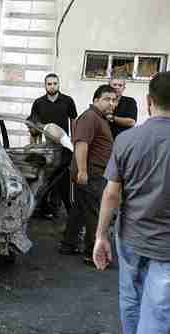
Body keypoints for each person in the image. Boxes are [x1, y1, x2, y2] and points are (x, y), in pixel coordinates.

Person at [93, 72, 170, 334]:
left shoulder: (126, 140)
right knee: (160, 309)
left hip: (130, 237)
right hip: (166, 245)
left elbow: (111, 195)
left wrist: (100, 236)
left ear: (149, 101)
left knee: (130, 297)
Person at [58, 85, 117, 265]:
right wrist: (83, 171)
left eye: (115, 100)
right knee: (94, 213)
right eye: (107, 99)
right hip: (91, 174)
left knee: (80, 210)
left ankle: (68, 244)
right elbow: (82, 144)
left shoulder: (99, 118)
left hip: (94, 173)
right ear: (96, 100)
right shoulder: (90, 117)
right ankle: (93, 253)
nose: (112, 104)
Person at [27, 73, 77, 217]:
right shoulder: (38, 103)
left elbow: (73, 120)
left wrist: (73, 139)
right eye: (49, 84)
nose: (52, 86)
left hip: (64, 146)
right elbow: (33, 125)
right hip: (47, 148)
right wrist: (33, 146)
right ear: (45, 85)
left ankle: (59, 207)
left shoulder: (67, 101)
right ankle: (44, 208)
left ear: (58, 84)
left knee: (62, 178)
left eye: (55, 83)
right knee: (45, 178)